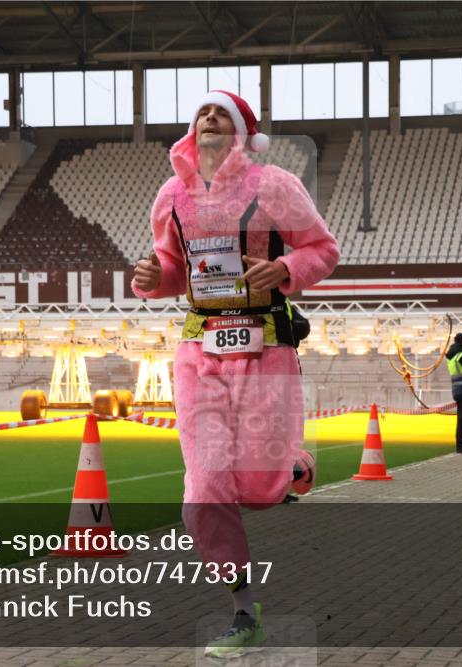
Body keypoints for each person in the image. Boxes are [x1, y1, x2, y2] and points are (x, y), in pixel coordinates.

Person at [131, 90, 339, 658]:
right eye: (202, 113)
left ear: (245, 132)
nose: (209, 119)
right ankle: (245, 611)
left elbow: (323, 248)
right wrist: (153, 276)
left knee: (258, 486)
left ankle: (291, 466)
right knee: (204, 491)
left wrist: (287, 268)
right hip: (200, 351)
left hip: (266, 347)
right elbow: (173, 268)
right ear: (190, 132)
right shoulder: (172, 195)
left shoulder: (274, 186)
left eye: (221, 112)